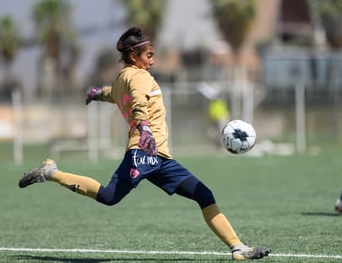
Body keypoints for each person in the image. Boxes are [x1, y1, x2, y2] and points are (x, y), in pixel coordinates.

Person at [18, 27, 271, 260]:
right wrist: (145, 128)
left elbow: (114, 94)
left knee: (203, 194)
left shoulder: (121, 78)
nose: (152, 59)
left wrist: (97, 93)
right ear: (132, 55)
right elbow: (137, 100)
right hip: (144, 150)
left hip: (160, 157)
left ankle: (238, 248)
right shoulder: (138, 77)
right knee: (109, 196)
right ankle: (51, 172)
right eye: (148, 54)